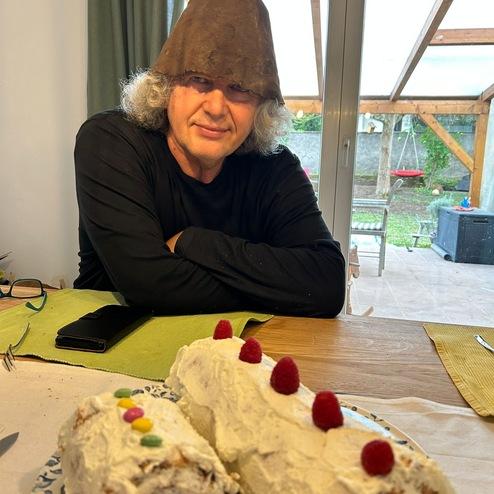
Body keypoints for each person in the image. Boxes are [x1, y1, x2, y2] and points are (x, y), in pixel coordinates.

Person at [73, 0, 345, 317]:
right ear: (166, 85)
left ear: (259, 104)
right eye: (199, 80)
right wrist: (278, 291)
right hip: (112, 342)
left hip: (244, 346)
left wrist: (193, 242)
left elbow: (327, 284)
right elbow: (149, 286)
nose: (216, 108)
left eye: (240, 87)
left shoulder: (276, 167)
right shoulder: (111, 141)